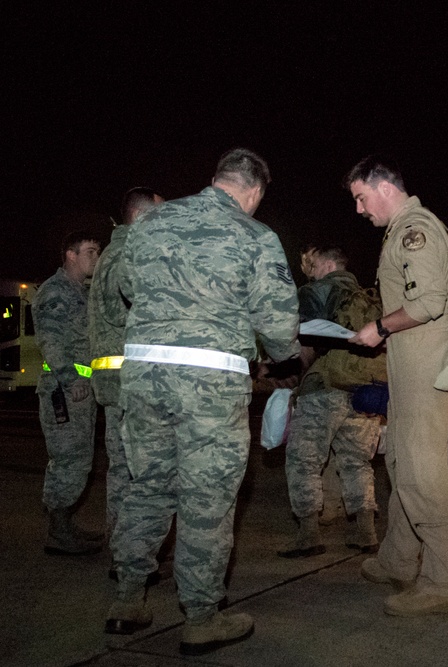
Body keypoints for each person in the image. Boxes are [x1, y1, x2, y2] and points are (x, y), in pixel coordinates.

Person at [105, 148, 300, 656]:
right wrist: (286, 358)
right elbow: (279, 323)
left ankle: (128, 600)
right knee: (206, 502)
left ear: (215, 179)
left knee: (146, 486)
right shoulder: (256, 236)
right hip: (210, 384)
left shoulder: (150, 222)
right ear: (254, 191)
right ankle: (200, 616)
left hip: (144, 375)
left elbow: (126, 285)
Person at [346, 155, 448, 617]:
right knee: (398, 454)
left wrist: (379, 326)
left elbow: (431, 301)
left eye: (360, 197)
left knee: (421, 467)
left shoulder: (415, 228)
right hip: (408, 363)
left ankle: (442, 578)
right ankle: (399, 557)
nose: (359, 209)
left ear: (384, 187)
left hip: (423, 362)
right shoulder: (400, 231)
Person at [280, 243, 381, 558]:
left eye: (313, 264)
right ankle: (365, 532)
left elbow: (304, 345)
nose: (309, 270)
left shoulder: (315, 291)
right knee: (357, 462)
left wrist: (296, 379)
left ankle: (308, 534)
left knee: (304, 460)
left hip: (325, 388)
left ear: (325, 264)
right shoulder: (367, 296)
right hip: (365, 391)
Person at [88, 187, 164, 572]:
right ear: (142, 217)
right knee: (138, 475)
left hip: (113, 380)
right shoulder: (127, 256)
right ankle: (127, 556)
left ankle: (120, 548)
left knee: (122, 470)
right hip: (128, 383)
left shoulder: (110, 254)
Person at [35, 230, 103, 556]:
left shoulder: (82, 293)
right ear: (71, 255)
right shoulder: (54, 292)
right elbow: (50, 342)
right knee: (67, 462)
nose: (96, 258)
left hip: (81, 391)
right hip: (64, 391)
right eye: (90, 251)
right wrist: (70, 378)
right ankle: (58, 532)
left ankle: (65, 525)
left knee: (79, 461)